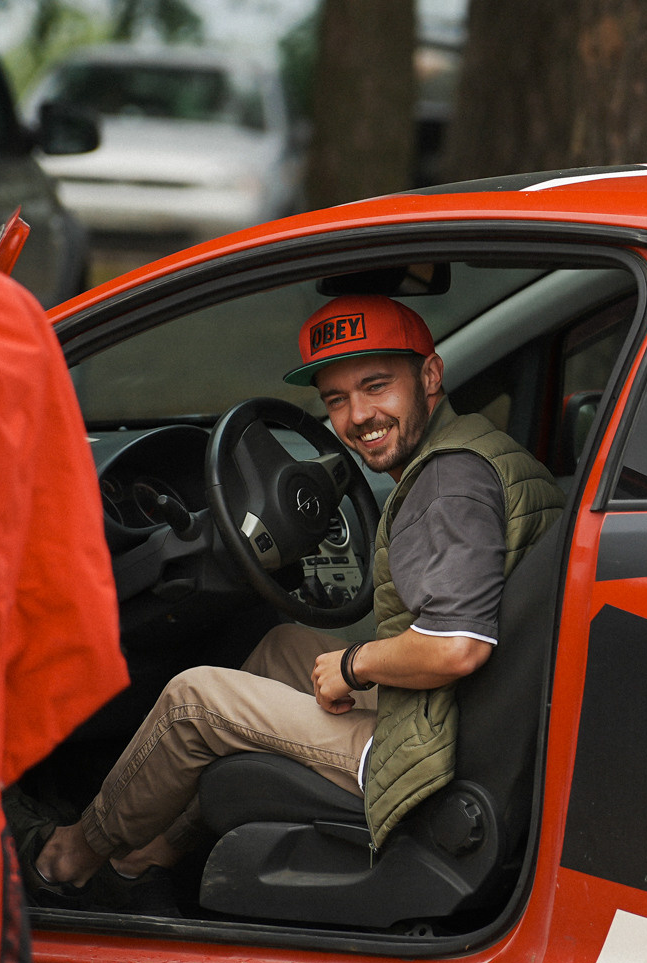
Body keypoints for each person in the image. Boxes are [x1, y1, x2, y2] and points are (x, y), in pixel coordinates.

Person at [32, 294, 565, 902]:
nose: (359, 415)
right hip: (475, 718)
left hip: (430, 757)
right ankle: (148, 858)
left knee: (192, 699)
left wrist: (352, 665)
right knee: (281, 646)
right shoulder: (481, 452)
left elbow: (454, 648)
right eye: (336, 399)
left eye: (375, 386)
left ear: (431, 375)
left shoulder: (446, 488)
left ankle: (67, 863)